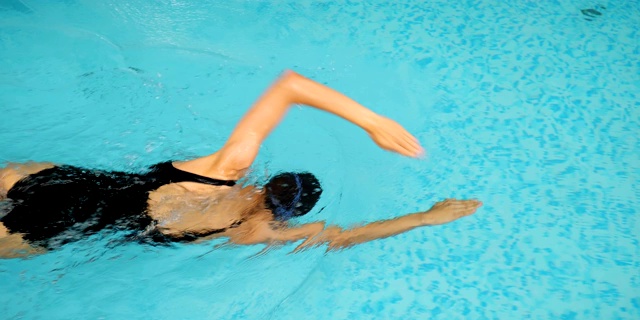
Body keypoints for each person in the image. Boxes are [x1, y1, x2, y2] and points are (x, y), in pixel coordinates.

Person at [0, 70, 481, 259]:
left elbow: (290, 85)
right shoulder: (253, 231)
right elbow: (344, 236)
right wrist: (424, 217)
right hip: (67, 223)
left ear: (269, 179)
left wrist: (372, 121)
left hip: (68, 179)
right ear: (287, 213)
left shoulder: (224, 166)